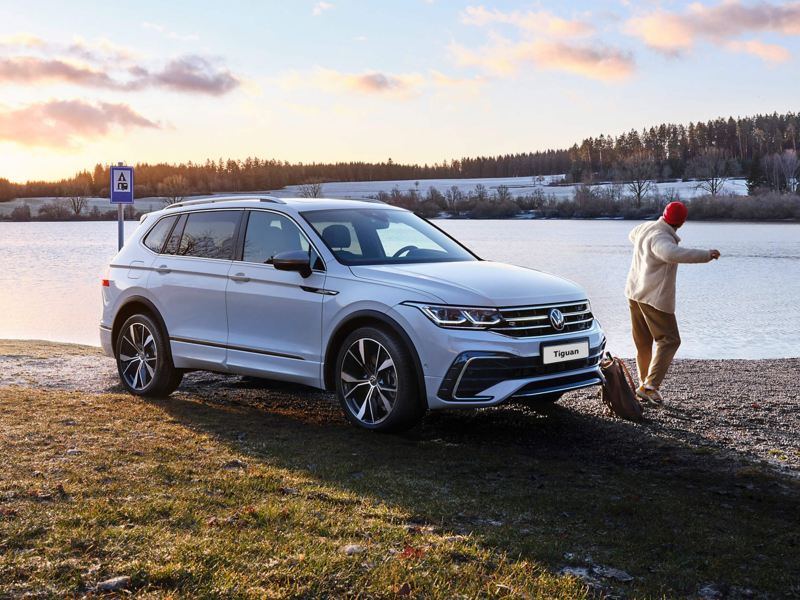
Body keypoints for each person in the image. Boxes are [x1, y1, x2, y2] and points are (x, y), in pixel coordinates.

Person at [625, 201, 720, 406]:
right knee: (670, 340)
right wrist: (707, 255)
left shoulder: (646, 228)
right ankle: (649, 386)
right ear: (682, 222)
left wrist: (642, 243)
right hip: (653, 298)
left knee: (643, 343)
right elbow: (671, 253)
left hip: (634, 293)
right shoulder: (661, 237)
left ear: (664, 214)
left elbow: (632, 234)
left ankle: (644, 386)